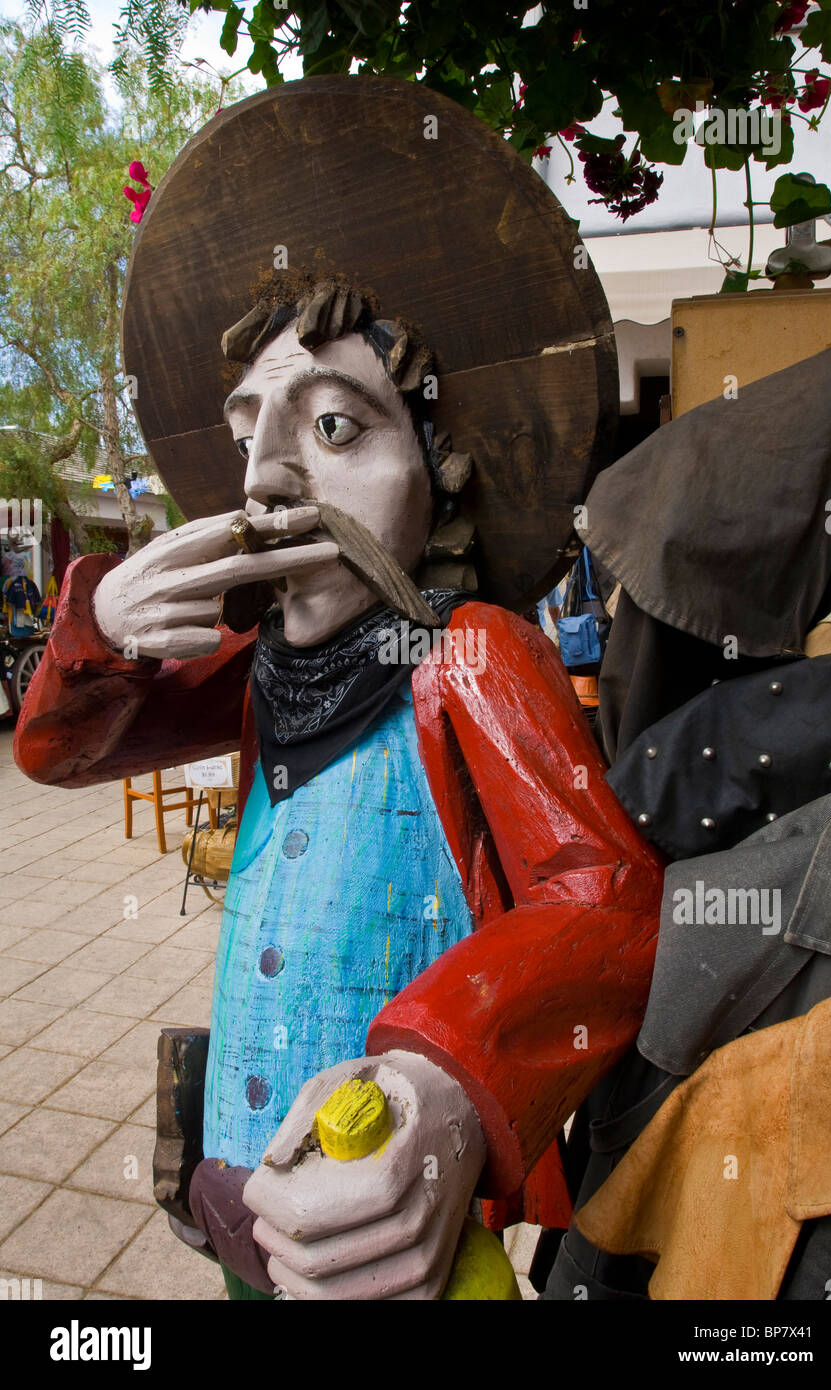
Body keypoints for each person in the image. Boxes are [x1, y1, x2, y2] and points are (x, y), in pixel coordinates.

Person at [14, 78, 662, 1300]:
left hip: (390, 1229)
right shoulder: (262, 667)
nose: (263, 476)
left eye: (334, 429)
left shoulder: (466, 656)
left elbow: (606, 899)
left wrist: (447, 1082)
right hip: (238, 1199)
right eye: (248, 424)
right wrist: (96, 628)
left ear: (440, 469)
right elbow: (58, 751)